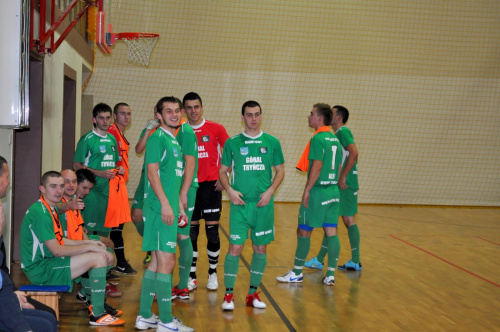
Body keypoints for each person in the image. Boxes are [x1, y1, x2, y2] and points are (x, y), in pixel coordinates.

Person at [19, 171, 125, 326]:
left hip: (48, 263)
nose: (58, 190)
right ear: (42, 188)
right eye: (53, 186)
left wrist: (90, 244)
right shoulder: (40, 213)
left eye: (61, 186)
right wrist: (87, 248)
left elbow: (61, 239)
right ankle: (97, 314)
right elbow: (57, 250)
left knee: (100, 253)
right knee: (98, 258)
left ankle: (93, 304)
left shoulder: (50, 208)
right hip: (41, 270)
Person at [219, 101, 285, 310]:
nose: (253, 119)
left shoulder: (272, 142)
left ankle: (252, 294)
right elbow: (222, 171)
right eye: (249, 115)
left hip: (263, 205)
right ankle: (228, 295)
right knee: (235, 247)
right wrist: (229, 190)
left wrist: (270, 191)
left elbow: (280, 171)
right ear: (242, 117)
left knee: (260, 248)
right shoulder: (233, 142)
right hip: (240, 204)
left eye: (257, 114)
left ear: (261, 116)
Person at [135, 97, 193, 332]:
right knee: (167, 262)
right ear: (158, 114)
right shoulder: (157, 137)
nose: (174, 114)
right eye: (168, 111)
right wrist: (166, 206)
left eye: (177, 111)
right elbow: (152, 174)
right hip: (159, 210)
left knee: (157, 263)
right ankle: (167, 322)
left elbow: (172, 179)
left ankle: (145, 315)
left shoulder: (174, 140)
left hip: (167, 206)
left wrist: (179, 203)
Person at [276, 103, 342, 286]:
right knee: (331, 232)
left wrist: (307, 190)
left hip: (319, 192)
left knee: (303, 230)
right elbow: (338, 166)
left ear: (320, 118)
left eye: (311, 114)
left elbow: (317, 165)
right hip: (333, 191)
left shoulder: (317, 139)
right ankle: (330, 275)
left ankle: (297, 272)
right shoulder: (335, 139)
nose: (308, 116)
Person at [72, 103, 131, 277]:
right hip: (92, 194)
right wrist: (98, 173)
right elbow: (77, 165)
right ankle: (86, 271)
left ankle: (103, 268)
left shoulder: (112, 139)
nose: (105, 121)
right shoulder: (87, 139)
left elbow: (113, 164)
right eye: (101, 118)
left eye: (107, 118)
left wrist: (118, 169)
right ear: (94, 119)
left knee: (105, 234)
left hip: (110, 194)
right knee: (89, 232)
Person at [0, 157, 58, 332]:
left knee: (48, 315)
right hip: (6, 297)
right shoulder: (38, 212)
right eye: (7, 176)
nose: (9, 183)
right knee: (45, 323)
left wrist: (14, 293)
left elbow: (2, 273)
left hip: (5, 293)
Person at [304, 105, 362, 271]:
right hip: (345, 182)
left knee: (343, 219)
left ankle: (351, 260)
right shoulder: (335, 136)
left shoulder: (343, 132)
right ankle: (323, 259)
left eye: (333, 113)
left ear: (338, 118)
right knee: (334, 220)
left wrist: (342, 176)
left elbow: (354, 153)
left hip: (346, 182)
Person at [183, 92, 229, 291]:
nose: (193, 111)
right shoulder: (180, 131)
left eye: (196, 106)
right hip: (190, 187)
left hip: (212, 186)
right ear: (184, 110)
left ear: (202, 107)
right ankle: (191, 276)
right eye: (189, 107)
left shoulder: (216, 128)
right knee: (191, 233)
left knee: (212, 233)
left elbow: (230, 153)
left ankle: (212, 273)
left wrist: (223, 176)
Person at [58, 169, 122, 301]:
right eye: (85, 188)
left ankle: (89, 292)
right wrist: (89, 244)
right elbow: (57, 208)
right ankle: (93, 293)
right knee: (104, 256)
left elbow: (77, 228)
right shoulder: (64, 202)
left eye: (74, 182)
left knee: (108, 247)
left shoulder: (75, 201)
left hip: (75, 241)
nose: (71, 185)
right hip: (66, 248)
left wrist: (87, 238)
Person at [171, 108, 199, 300]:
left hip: (185, 188)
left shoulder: (185, 131)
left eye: (175, 111)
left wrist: (183, 193)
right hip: (176, 187)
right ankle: (180, 285)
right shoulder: (173, 131)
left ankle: (182, 285)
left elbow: (190, 163)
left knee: (182, 234)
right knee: (177, 234)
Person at [107, 102, 136, 274]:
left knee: (118, 226)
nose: (126, 117)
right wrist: (116, 167)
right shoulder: (111, 132)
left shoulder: (119, 133)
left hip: (119, 185)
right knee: (114, 227)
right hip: (112, 186)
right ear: (115, 116)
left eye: (129, 113)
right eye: (123, 113)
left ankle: (119, 262)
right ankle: (116, 262)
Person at [131, 110, 160, 265]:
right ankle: (151, 244)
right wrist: (148, 129)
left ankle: (158, 249)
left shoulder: (175, 131)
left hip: (162, 179)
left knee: (157, 217)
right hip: (145, 178)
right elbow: (138, 150)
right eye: (156, 111)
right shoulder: (150, 130)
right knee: (136, 216)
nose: (157, 115)